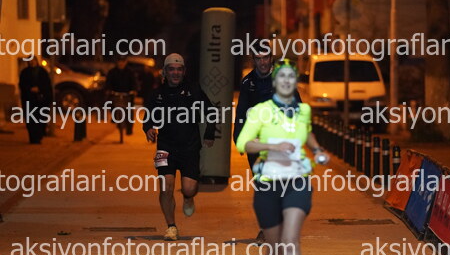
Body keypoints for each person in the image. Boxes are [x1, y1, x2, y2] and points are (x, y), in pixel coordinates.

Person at [235, 59, 329, 255]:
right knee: (274, 248)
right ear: (274, 82)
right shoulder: (260, 111)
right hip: (268, 184)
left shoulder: (303, 110)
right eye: (282, 77)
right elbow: (243, 143)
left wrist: (317, 150)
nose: (286, 81)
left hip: (297, 181)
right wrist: (272, 147)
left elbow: (306, 134)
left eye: (291, 77)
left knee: (290, 240)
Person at [234, 45, 306, 243]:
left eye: (266, 58)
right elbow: (241, 112)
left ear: (271, 58)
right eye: (258, 58)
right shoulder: (248, 82)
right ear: (253, 60)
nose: (263, 62)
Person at [143, 53, 216, 241]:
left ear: (184, 71)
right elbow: (148, 118)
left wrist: (209, 133)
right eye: (171, 69)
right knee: (165, 187)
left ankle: (188, 197)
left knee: (189, 188)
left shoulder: (194, 90)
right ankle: (171, 226)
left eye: (179, 69)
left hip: (189, 147)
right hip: (165, 147)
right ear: (165, 72)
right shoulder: (157, 95)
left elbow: (210, 111)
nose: (175, 73)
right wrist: (148, 128)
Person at [18, 57, 52, 144]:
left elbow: (47, 85)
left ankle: (39, 136)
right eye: (30, 61)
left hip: (40, 100)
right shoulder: (25, 72)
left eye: (33, 61)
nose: (32, 62)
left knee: (41, 118)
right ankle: (33, 138)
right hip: (29, 99)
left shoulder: (42, 72)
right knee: (31, 120)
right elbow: (22, 84)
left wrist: (39, 89)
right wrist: (30, 89)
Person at [106, 56, 137, 135]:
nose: (121, 63)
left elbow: (134, 83)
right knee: (111, 105)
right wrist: (109, 90)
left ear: (126, 62)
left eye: (123, 61)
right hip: (115, 94)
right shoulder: (112, 72)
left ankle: (129, 128)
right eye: (120, 61)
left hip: (127, 95)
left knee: (129, 111)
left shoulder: (130, 72)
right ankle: (115, 118)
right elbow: (108, 82)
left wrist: (134, 90)